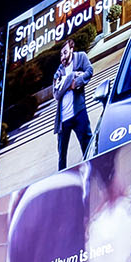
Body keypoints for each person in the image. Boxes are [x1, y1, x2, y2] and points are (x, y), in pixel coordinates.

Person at [52, 38, 93, 170]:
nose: (63, 56)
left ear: (71, 49)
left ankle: (92, 170)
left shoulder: (81, 57)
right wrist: (72, 77)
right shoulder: (59, 70)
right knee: (61, 155)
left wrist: (77, 81)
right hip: (63, 120)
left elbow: (89, 71)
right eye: (61, 54)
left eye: (65, 52)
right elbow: (56, 93)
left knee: (87, 145)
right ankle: (62, 177)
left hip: (79, 112)